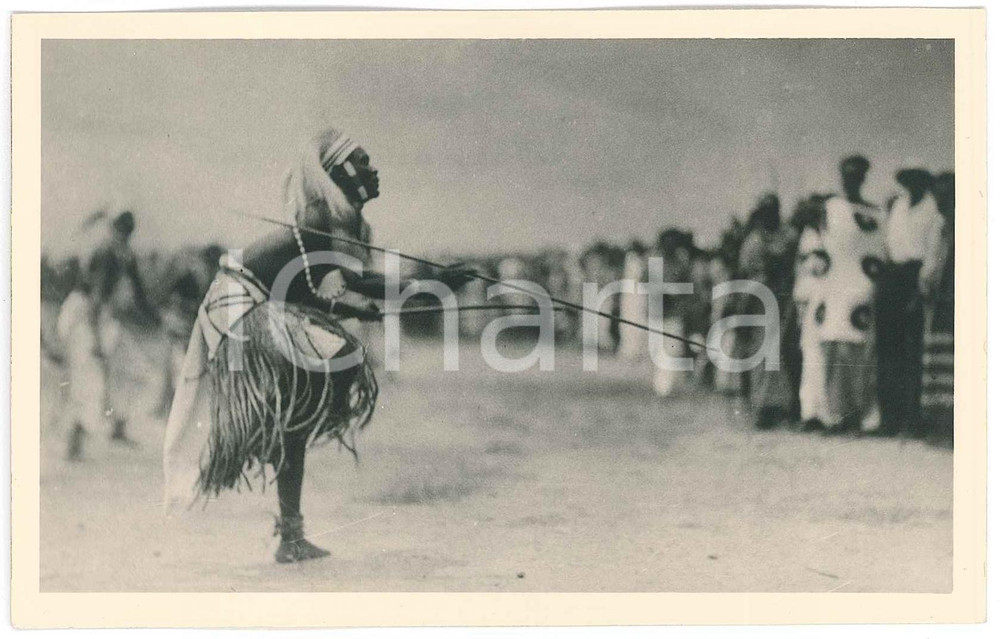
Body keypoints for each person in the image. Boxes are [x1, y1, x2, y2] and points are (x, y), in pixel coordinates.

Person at [162, 128, 474, 563]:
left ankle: (290, 534)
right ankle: (273, 472)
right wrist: (432, 283)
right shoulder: (316, 217)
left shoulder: (344, 224)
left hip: (264, 303)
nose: (374, 168)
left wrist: (356, 308)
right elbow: (346, 284)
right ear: (339, 172)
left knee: (298, 419)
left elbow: (310, 291)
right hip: (239, 304)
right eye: (363, 161)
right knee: (322, 377)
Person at [57, 209, 160, 460]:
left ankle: (117, 426)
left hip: (100, 315)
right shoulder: (106, 252)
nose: (122, 236)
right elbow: (95, 298)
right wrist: (94, 339)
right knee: (89, 377)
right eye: (120, 230)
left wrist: (156, 319)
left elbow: (139, 294)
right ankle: (73, 440)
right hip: (83, 314)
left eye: (127, 232)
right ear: (114, 229)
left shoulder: (125, 254)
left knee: (131, 369)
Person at [808, 155, 886, 434]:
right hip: (834, 286)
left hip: (863, 286)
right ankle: (836, 414)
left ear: (864, 177)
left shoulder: (876, 212)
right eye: (847, 174)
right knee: (833, 347)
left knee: (861, 350)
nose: (851, 179)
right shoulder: (831, 208)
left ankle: (862, 414)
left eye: (857, 174)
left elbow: (879, 251)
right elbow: (819, 248)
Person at [877, 168, 943, 436]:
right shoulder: (898, 208)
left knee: (912, 351)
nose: (911, 185)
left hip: (915, 278)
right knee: (888, 350)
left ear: (924, 182)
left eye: (917, 180)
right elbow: (887, 245)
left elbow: (931, 255)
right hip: (893, 276)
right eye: (907, 180)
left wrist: (920, 290)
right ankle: (888, 420)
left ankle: (912, 420)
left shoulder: (932, 211)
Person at [736, 193, 798, 428]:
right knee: (761, 353)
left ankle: (785, 407)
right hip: (759, 299)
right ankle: (762, 407)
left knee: (785, 352)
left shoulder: (790, 236)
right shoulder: (753, 241)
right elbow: (746, 274)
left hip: (785, 298)